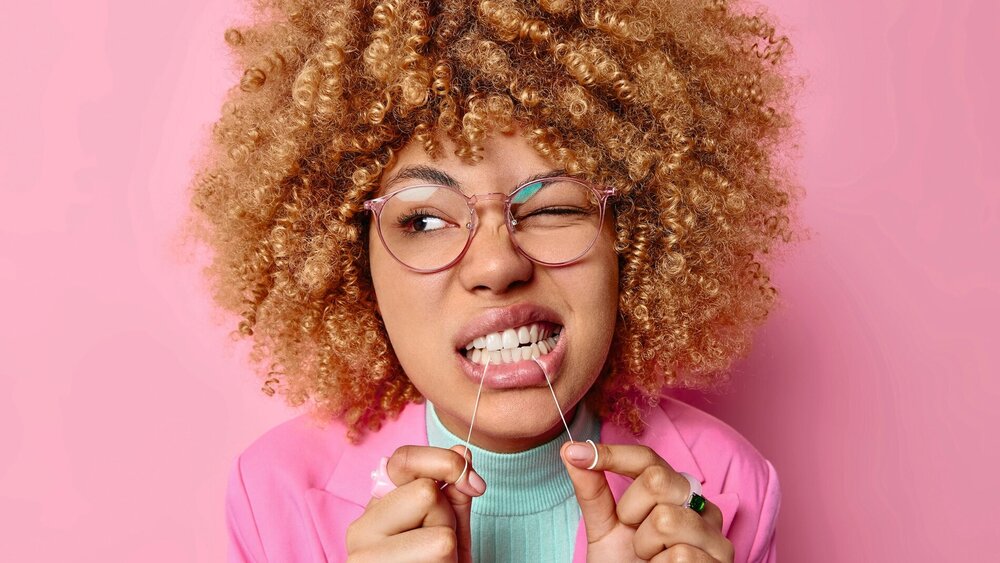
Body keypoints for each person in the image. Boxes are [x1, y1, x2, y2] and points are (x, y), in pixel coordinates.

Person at [188, 0, 800, 561]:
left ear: (636, 240)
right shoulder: (276, 496)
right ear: (352, 266)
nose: (497, 265)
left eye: (555, 207)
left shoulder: (726, 488)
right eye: (424, 218)